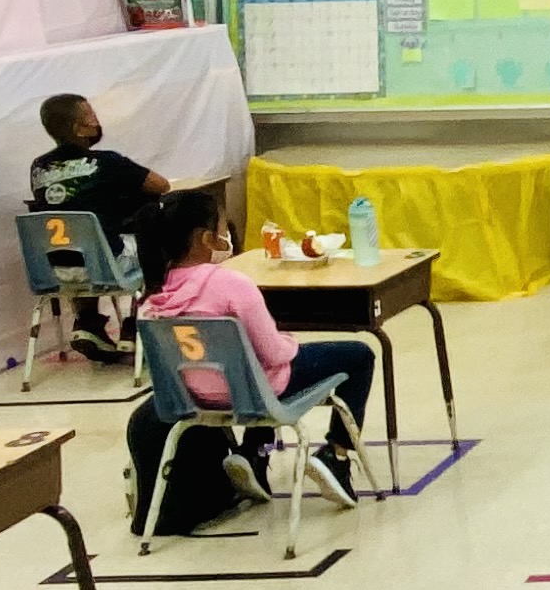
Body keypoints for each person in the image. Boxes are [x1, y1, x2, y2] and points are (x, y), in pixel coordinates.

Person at [133, 190, 375, 513]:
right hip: (254, 394)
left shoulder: (151, 300)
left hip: (191, 398)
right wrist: (288, 342)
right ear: (206, 238)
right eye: (221, 228)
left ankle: (254, 455)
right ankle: (337, 455)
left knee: (250, 366)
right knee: (359, 354)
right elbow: (275, 353)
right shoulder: (232, 285)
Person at [25, 93, 169, 363]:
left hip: (53, 270)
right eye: (91, 116)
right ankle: (134, 325)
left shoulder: (39, 167)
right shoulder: (108, 162)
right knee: (160, 234)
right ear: (78, 128)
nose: (97, 121)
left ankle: (88, 322)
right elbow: (161, 186)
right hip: (104, 267)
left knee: (86, 240)